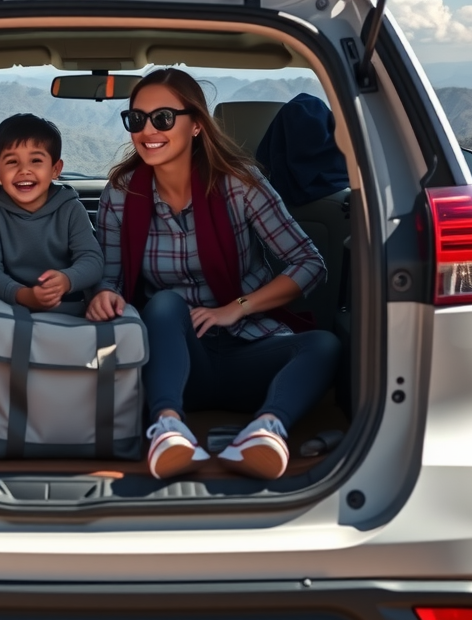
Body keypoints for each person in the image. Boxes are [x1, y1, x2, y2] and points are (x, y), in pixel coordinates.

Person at [86, 68, 339, 482]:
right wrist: (104, 296)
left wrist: (235, 308)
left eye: (163, 118)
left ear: (197, 124)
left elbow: (310, 264)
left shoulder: (240, 183)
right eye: (137, 119)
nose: (148, 130)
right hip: (175, 360)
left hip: (250, 349)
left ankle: (265, 431)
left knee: (325, 346)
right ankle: (167, 429)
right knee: (165, 304)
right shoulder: (122, 191)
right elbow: (111, 278)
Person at [0, 113, 103, 313]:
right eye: (12, 162)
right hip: (13, 309)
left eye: (35, 160)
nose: (24, 170)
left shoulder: (70, 209)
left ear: (55, 169)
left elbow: (92, 259)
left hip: (68, 306)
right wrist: (24, 295)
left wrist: (67, 280)